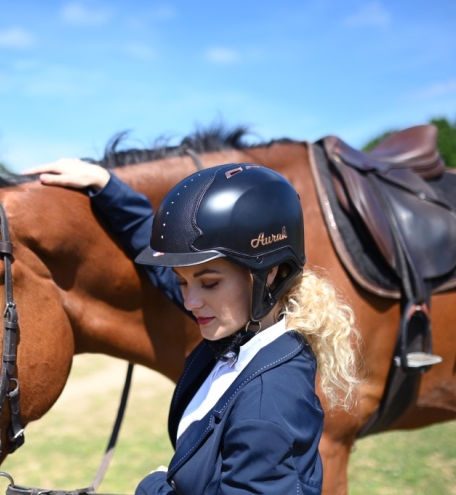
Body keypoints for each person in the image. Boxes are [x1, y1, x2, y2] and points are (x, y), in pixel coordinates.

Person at [24, 159, 361, 495]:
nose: (189, 301)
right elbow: (163, 256)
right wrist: (107, 186)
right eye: (183, 283)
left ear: (269, 274)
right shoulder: (239, 326)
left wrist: (154, 487)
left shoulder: (267, 402)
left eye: (209, 284)